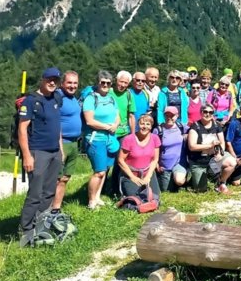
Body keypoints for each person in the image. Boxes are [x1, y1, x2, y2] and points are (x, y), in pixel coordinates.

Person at [17, 67, 64, 247]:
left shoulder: (56, 99)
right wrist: (27, 156)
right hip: (38, 152)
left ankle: (41, 225)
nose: (52, 83)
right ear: (42, 80)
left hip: (54, 152)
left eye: (55, 80)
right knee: (35, 193)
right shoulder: (30, 101)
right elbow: (22, 129)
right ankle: (27, 231)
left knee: (49, 192)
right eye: (49, 79)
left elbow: (56, 125)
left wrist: (60, 149)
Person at [82, 70, 120, 210]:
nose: (105, 85)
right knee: (99, 171)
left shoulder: (111, 98)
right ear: (97, 83)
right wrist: (106, 127)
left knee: (105, 169)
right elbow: (89, 121)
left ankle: (97, 197)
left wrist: (115, 125)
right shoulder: (91, 99)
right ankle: (91, 201)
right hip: (95, 139)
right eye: (102, 83)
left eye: (108, 83)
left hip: (110, 139)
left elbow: (117, 115)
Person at [187, 104, 237, 194]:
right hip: (198, 161)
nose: (208, 114)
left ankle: (221, 182)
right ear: (201, 112)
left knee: (232, 162)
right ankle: (195, 178)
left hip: (213, 158)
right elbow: (192, 147)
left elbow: (222, 142)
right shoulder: (195, 127)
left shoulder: (217, 125)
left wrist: (220, 153)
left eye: (211, 112)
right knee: (201, 190)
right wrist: (210, 146)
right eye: (205, 112)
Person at [51, 70, 81, 214]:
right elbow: (54, 122)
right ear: (62, 83)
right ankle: (47, 210)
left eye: (75, 83)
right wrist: (60, 147)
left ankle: (56, 208)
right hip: (62, 143)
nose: (72, 86)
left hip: (74, 143)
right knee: (55, 179)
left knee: (65, 178)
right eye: (69, 82)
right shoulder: (57, 97)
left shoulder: (74, 99)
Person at [117, 114, 161, 202]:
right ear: (138, 125)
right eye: (142, 124)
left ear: (151, 126)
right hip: (131, 174)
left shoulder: (155, 138)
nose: (145, 126)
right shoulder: (129, 139)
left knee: (155, 197)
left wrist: (148, 176)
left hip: (147, 173)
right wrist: (132, 177)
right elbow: (120, 160)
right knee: (136, 200)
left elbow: (155, 159)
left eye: (148, 124)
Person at [155, 106, 189, 192]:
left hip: (179, 163)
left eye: (172, 115)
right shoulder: (158, 130)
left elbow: (195, 132)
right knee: (165, 190)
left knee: (179, 181)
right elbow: (153, 149)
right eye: (167, 115)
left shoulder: (181, 127)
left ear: (177, 116)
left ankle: (187, 177)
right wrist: (156, 164)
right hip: (165, 165)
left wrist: (187, 136)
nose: (169, 118)